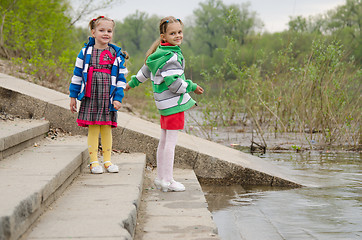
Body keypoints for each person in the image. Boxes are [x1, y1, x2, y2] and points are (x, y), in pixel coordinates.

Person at [125, 16, 204, 192]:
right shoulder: (172, 57)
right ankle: (168, 180)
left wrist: (129, 85)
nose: (178, 36)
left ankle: (161, 178)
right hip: (174, 104)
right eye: (173, 33)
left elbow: (142, 74)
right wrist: (192, 86)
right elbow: (174, 84)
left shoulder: (156, 55)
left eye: (180, 32)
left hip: (163, 105)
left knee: (164, 140)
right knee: (170, 143)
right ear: (163, 37)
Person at [69, 16, 128, 174]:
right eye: (102, 30)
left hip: (107, 97)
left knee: (107, 128)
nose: (106, 33)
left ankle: (107, 160)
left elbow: (121, 79)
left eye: (109, 30)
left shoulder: (116, 54)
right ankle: (94, 161)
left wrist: (117, 98)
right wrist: (73, 96)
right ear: (93, 32)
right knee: (94, 128)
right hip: (91, 96)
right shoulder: (85, 52)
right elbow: (77, 75)